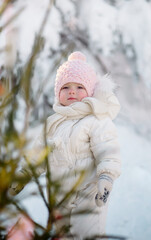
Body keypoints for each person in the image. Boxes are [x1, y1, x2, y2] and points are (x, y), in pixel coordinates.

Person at [9, 51, 121, 239]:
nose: (72, 91)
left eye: (79, 87)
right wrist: (24, 175)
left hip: (89, 195)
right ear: (57, 92)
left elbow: (108, 149)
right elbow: (38, 155)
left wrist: (107, 176)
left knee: (87, 234)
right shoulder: (53, 123)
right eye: (66, 87)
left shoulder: (95, 119)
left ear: (90, 91)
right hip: (59, 196)